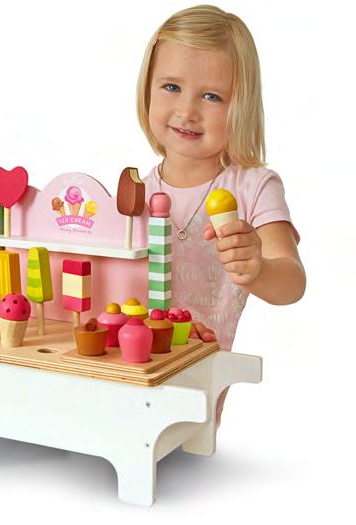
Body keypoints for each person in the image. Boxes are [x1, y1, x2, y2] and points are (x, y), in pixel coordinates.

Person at [136, 5, 306, 426]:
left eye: (211, 96)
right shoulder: (134, 192)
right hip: (130, 368)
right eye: (171, 86)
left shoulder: (253, 187)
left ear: (241, 106)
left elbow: (292, 283)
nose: (187, 111)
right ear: (147, 89)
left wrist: (258, 268)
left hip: (198, 383)